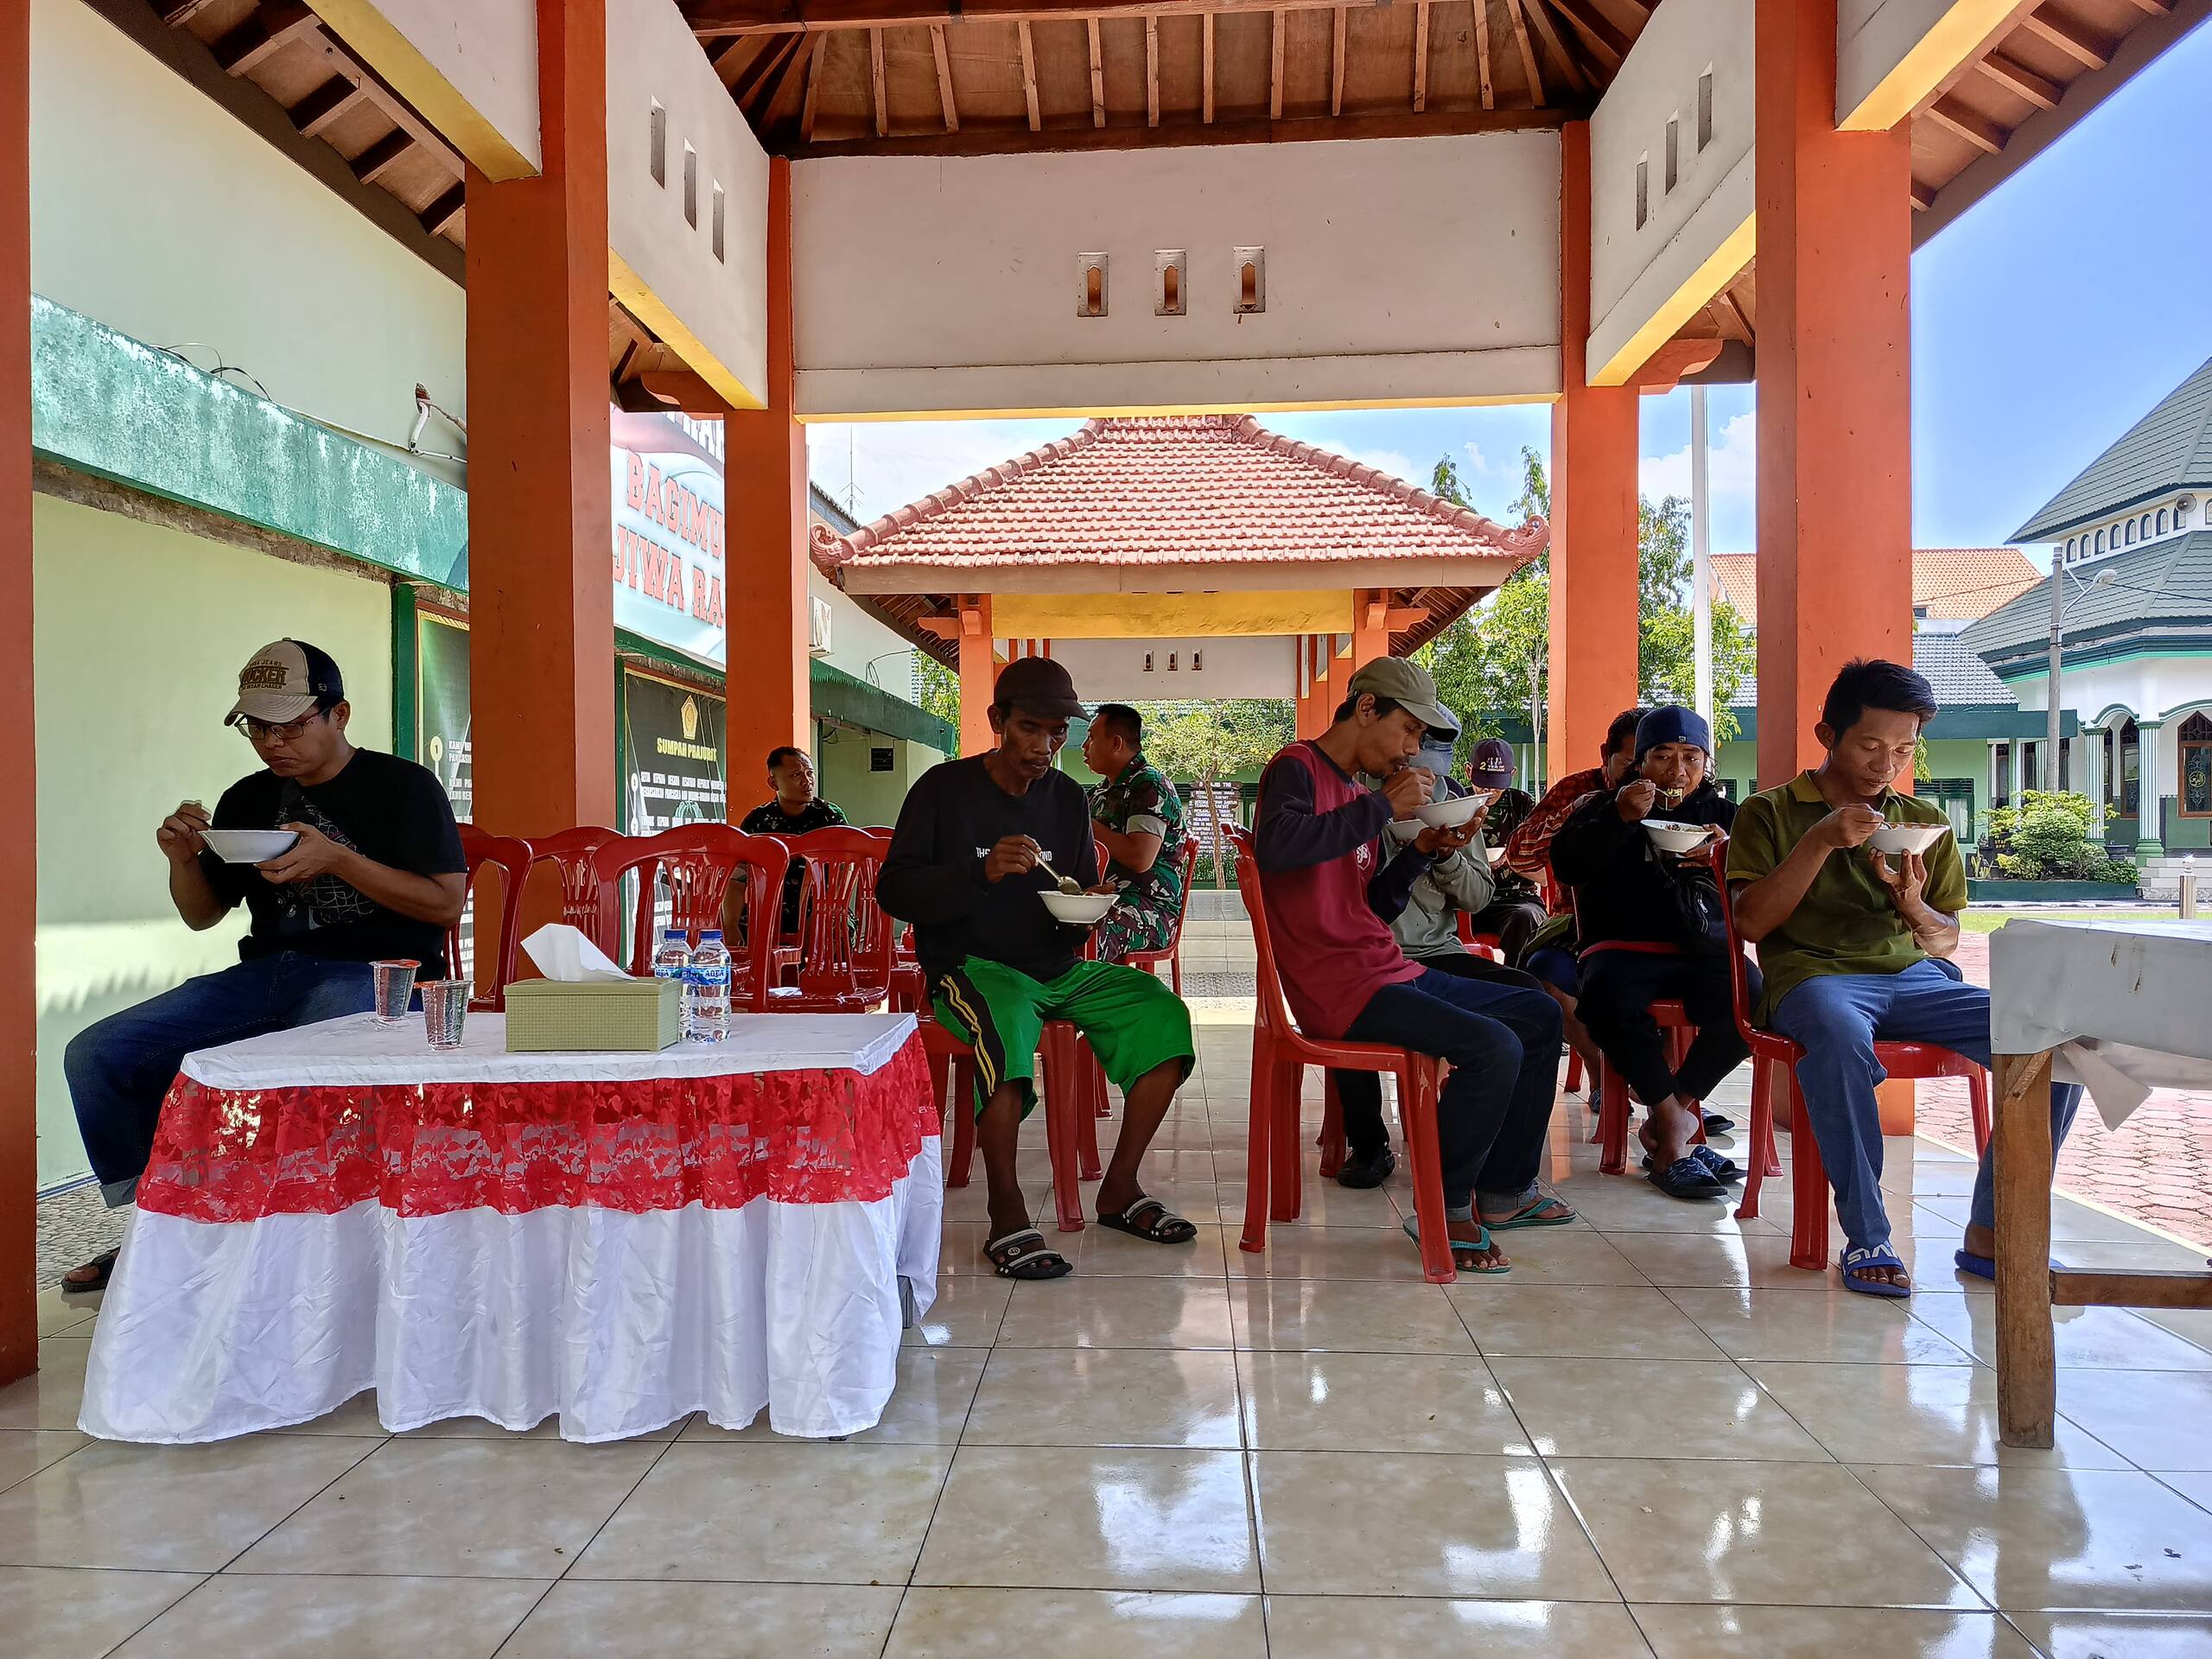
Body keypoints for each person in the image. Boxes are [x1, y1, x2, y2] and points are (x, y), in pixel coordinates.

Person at [60, 640, 466, 1292]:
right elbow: (203, 915)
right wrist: (182, 858)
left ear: (340, 715)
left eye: (293, 724)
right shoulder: (247, 798)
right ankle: (161, 1225)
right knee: (100, 1054)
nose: (274, 742)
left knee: (311, 1051)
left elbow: (446, 903)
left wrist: (340, 861)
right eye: (259, 727)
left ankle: (321, 1241)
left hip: (383, 976)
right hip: (266, 974)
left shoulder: (403, 787)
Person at [1726, 658, 2086, 1296]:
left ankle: (1993, 1231)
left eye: (1902, 749)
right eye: (1870, 745)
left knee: (2057, 1040)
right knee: (1836, 1037)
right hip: (1815, 979)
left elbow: (1947, 937)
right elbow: (1752, 924)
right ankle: (1868, 1234)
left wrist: (1913, 904)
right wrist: (1818, 842)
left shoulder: (1920, 822)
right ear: (1827, 736)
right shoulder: (1769, 811)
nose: (1885, 763)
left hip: (1919, 980)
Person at [880, 657, 1198, 1281]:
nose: (1045, 746)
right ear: (998, 720)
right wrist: (980, 872)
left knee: (1161, 1013)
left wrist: (1087, 911)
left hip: (1057, 966)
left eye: (1058, 733)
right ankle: (1006, 1210)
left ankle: (1120, 1188)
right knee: (1006, 1027)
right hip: (973, 966)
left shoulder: (1067, 800)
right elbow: (895, 892)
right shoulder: (943, 790)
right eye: (1031, 728)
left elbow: (1072, 893)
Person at [1255, 658, 1569, 1272]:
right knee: (1493, 1047)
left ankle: (1503, 1190)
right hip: (1337, 988)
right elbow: (1278, 849)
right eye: (1407, 731)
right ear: (1366, 707)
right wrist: (1381, 808)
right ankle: (1444, 1208)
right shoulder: (1297, 767)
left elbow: (1373, 905)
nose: (1412, 750)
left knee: (1537, 1012)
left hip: (1382, 968)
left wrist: (1424, 850)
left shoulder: (1356, 793)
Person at [1326, 718, 1551, 1188]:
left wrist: (1443, 853)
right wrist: (1393, 832)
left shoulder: (1455, 804)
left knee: (1533, 1000)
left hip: (1436, 951)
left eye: (1427, 776)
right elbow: (1342, 900)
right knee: (1353, 1011)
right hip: (1369, 958)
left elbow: (1478, 899)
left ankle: (1499, 1161)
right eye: (1405, 770)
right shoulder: (1352, 802)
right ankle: (1369, 1144)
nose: (1418, 785)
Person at [1550, 707, 1753, 1201]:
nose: (1677, 770)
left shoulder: (1726, 818)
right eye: (1662, 755)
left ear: (1707, 762)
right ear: (1640, 762)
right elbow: (1568, 865)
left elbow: (1761, 886)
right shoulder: (1602, 806)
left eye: (1690, 756)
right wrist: (1620, 816)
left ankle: (1671, 1117)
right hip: (1620, 948)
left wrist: (1723, 856)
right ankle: (1673, 1132)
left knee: (1755, 1000)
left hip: (1701, 951)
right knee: (1606, 995)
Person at [1504, 707, 1646, 1109]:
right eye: (1629, 761)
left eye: (1650, 760)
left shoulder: (1678, 799)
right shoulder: (1577, 790)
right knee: (1545, 976)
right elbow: (1519, 855)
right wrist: (1574, 815)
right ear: (1606, 754)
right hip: (1576, 930)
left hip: (1652, 933)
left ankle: (1668, 1091)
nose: (1641, 773)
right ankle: (1601, 1072)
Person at [1079, 703, 1190, 965]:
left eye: (1092, 737)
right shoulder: (1100, 792)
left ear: (1116, 743)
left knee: (1092, 930)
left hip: (1150, 908)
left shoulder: (1148, 786)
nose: (1084, 745)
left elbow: (1140, 858)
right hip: (1108, 896)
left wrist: (1086, 823)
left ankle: (1096, 1003)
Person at [740, 746, 847, 936]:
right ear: (773, 783)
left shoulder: (830, 817)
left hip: (824, 906)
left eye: (810, 773)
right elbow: (738, 877)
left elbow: (844, 872)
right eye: (796, 775)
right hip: (771, 909)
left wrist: (821, 913)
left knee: (835, 932)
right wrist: (730, 924)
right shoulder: (757, 821)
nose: (807, 781)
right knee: (737, 932)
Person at [1459, 738, 1548, 964]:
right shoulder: (1456, 803)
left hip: (1515, 899)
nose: (1488, 790)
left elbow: (1547, 873)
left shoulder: (1522, 805)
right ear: (1469, 771)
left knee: (1527, 918)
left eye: (1497, 782)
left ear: (1513, 774)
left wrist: (1513, 859)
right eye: (1482, 781)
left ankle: (1518, 984)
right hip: (1465, 900)